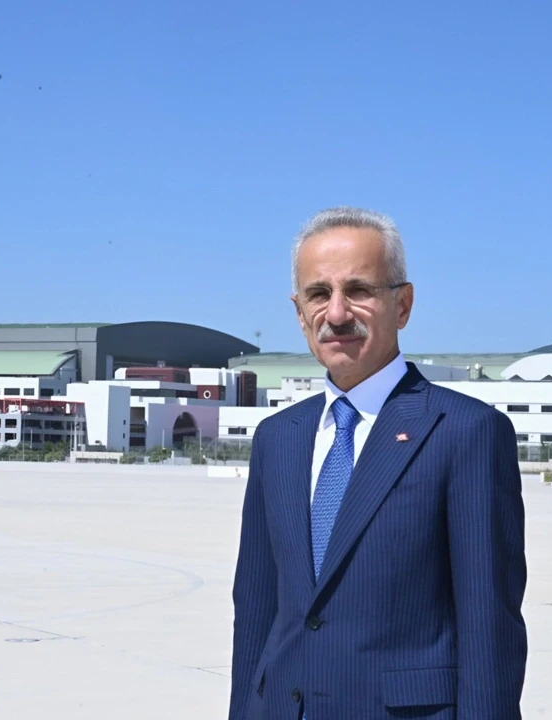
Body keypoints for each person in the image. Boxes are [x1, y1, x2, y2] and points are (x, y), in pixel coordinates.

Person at [228, 207, 527, 720]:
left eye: (358, 290)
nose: (336, 313)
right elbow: (255, 613)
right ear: (299, 312)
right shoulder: (277, 439)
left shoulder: (465, 433)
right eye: (318, 294)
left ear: (403, 305)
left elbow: (489, 632)